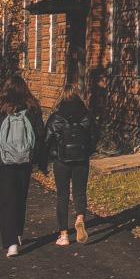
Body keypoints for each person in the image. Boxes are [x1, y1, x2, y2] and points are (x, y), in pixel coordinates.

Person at [0, 72, 46, 257]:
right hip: (25, 160)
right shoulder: (32, 107)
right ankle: (17, 234)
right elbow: (40, 134)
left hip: (3, 161)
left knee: (6, 201)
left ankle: (10, 243)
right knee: (20, 198)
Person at [44, 78, 100, 245]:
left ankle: (64, 235)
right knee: (79, 192)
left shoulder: (56, 117)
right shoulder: (86, 116)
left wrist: (51, 155)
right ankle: (80, 218)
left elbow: (47, 139)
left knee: (62, 195)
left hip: (62, 161)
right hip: (81, 160)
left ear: (62, 96)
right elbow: (95, 137)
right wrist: (86, 152)